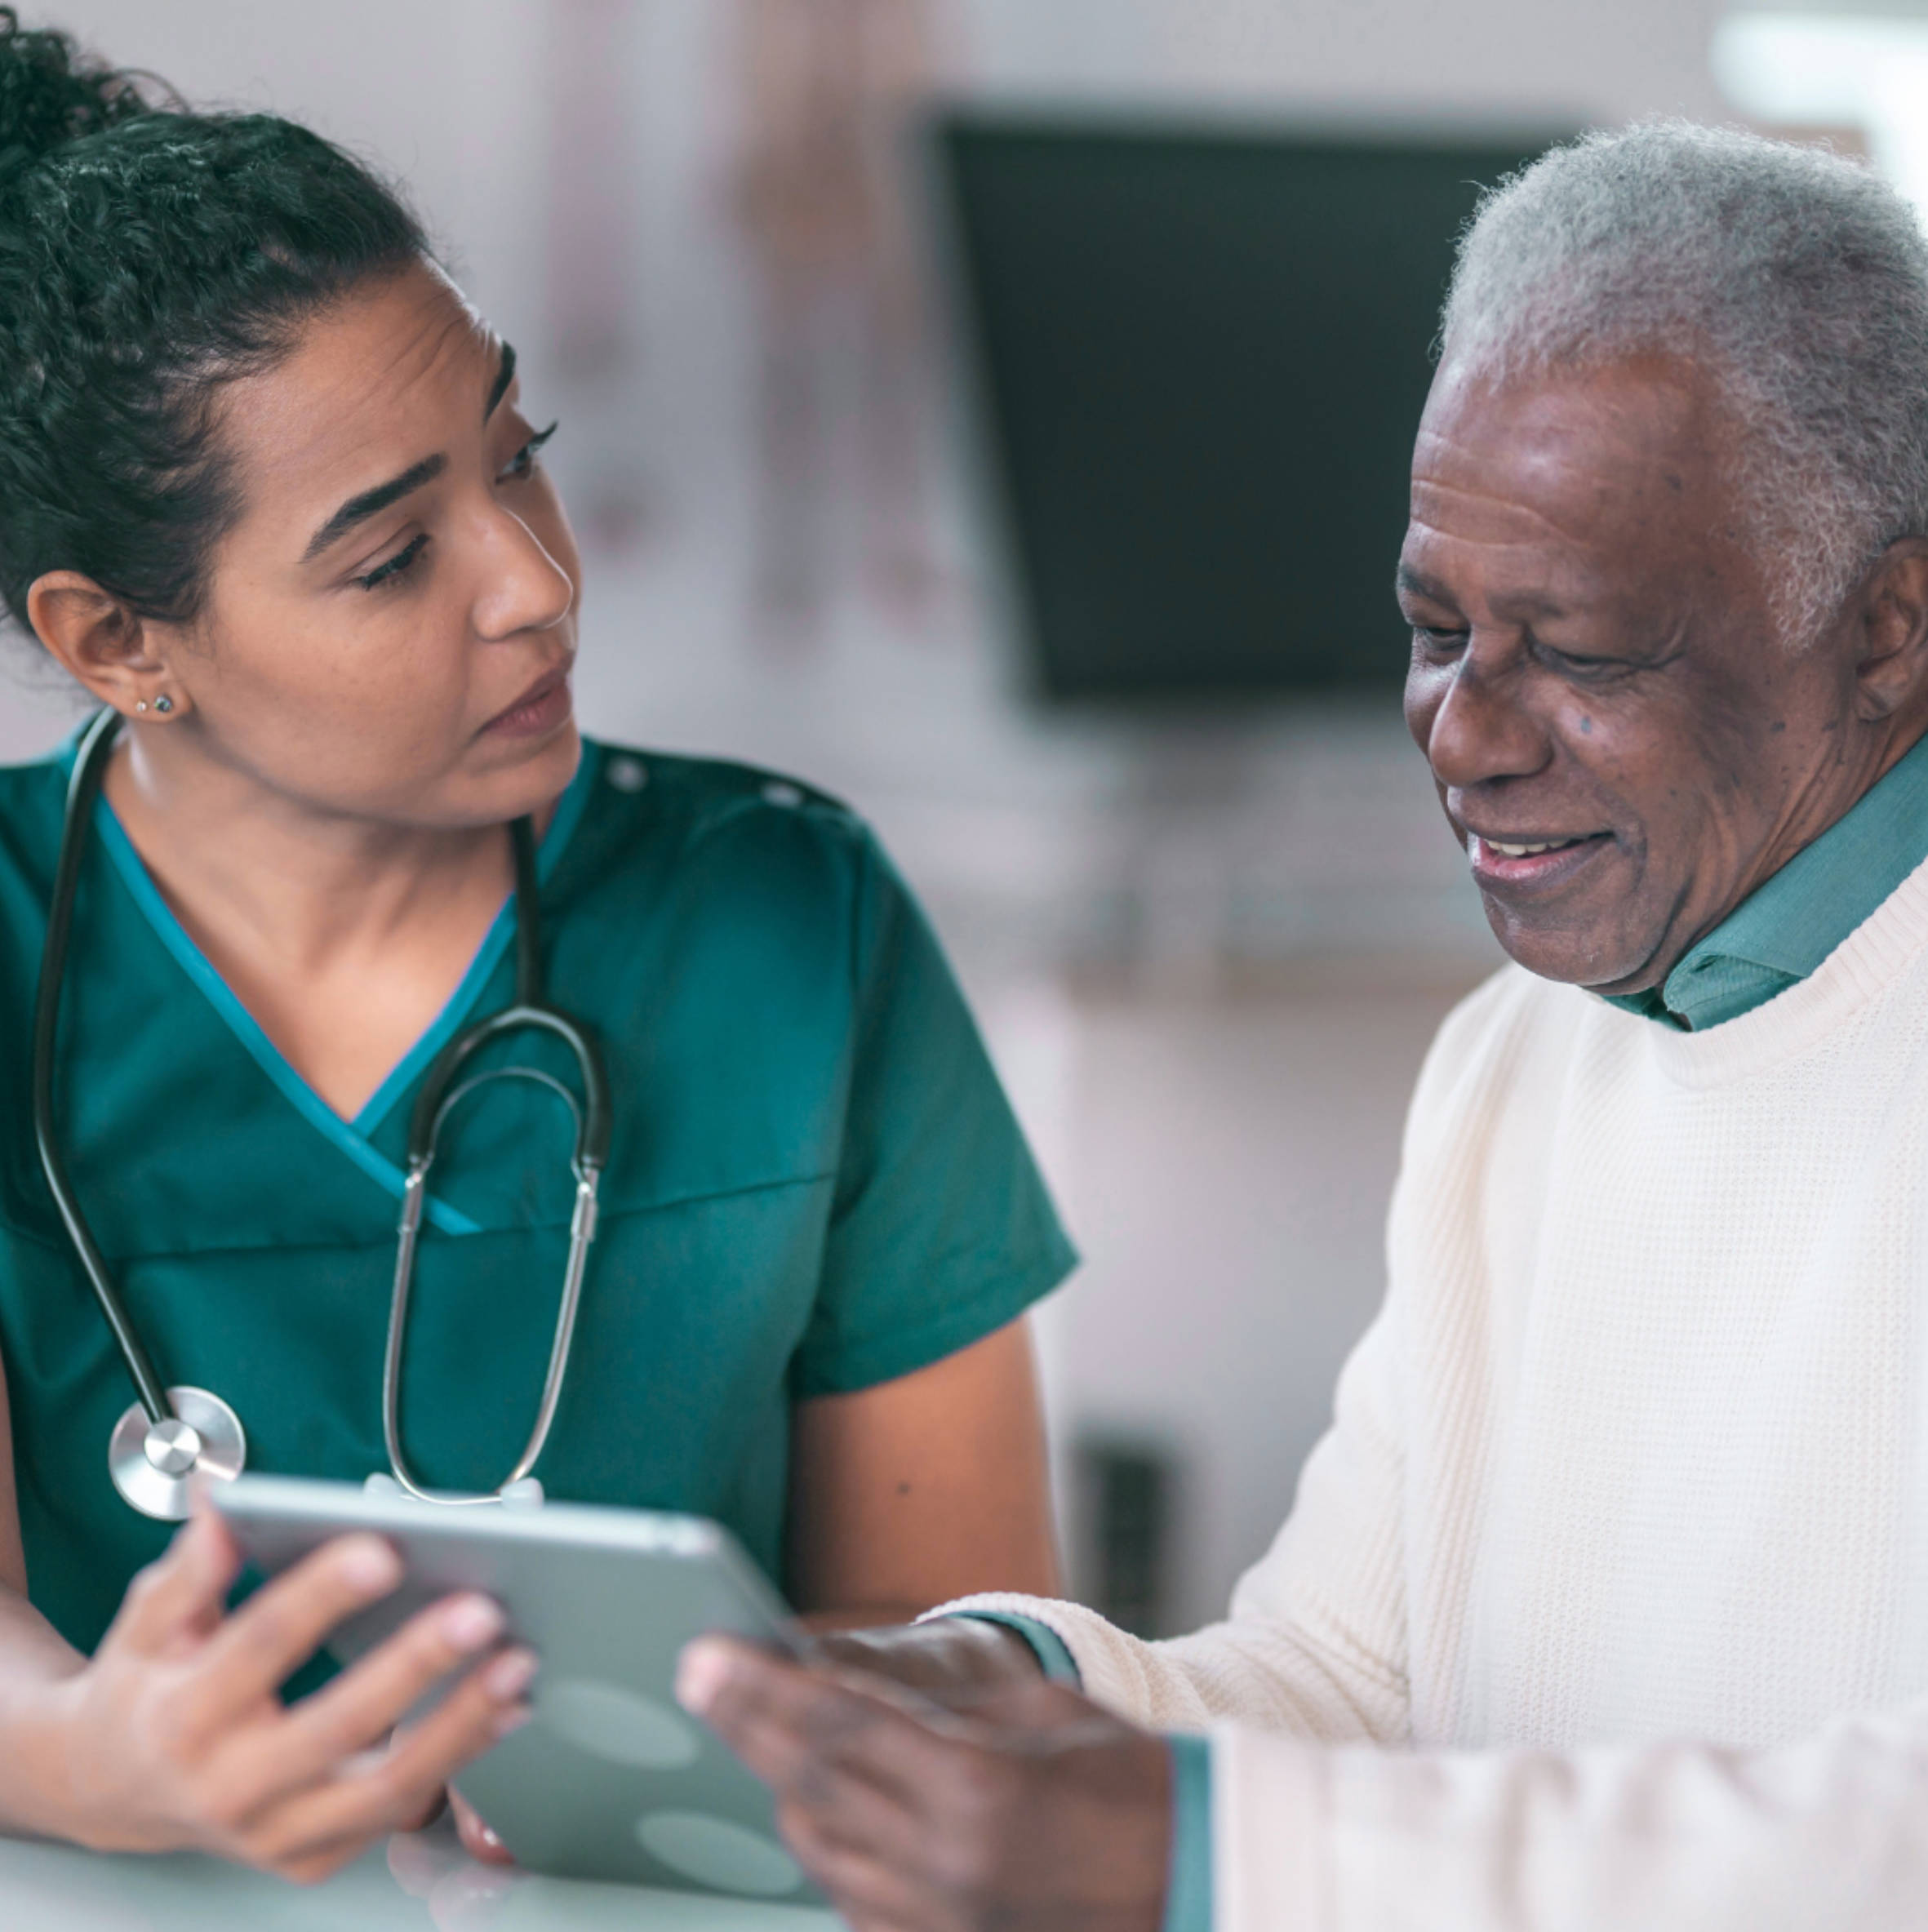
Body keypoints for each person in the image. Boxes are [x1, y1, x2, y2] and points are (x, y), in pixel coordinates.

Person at [677, 122, 1928, 1931]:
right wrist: (999, 1693)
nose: (1462, 730)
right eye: (1432, 624)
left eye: (1575, 650)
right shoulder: (1519, 1059)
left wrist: (1197, 1854)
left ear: (1887, 628)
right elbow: (1350, 1680)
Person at [0, 14, 1072, 1883]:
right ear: (113, 644)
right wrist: (101, 1754)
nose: (536, 582)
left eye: (519, 457)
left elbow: (972, 1629)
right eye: (389, 557)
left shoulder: (788, 915)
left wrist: (746, 1730)